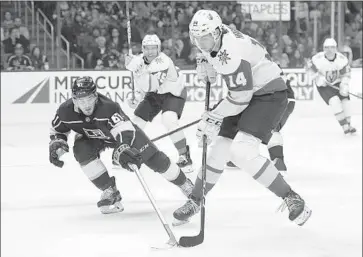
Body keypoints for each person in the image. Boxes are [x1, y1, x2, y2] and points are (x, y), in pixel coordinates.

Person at [172, 10, 312, 227]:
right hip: (250, 93)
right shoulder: (219, 36)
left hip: (268, 94)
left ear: (217, 33)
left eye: (205, 38)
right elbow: (221, 54)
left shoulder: (231, 52)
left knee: (242, 151)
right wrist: (207, 61)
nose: (201, 43)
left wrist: (213, 117)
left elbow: (241, 98)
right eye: (196, 38)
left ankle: (291, 196)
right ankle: (196, 199)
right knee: (219, 148)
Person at [49, 76, 194, 214]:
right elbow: (57, 130)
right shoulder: (65, 111)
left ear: (96, 96)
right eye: (81, 100)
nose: (86, 104)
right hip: (92, 137)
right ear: (74, 100)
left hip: (123, 135)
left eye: (89, 98)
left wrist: (123, 148)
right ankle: (109, 190)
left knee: (154, 159)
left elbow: (125, 131)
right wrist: (57, 143)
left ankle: (184, 183)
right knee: (81, 150)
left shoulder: (108, 107)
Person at [125, 34, 193, 173]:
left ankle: (184, 156)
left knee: (169, 120)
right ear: (143, 49)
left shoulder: (163, 62)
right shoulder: (138, 60)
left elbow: (151, 86)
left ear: (159, 49)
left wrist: (136, 69)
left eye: (153, 48)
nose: (150, 52)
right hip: (155, 94)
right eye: (147, 48)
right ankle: (127, 153)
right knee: (137, 122)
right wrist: (136, 97)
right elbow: (141, 86)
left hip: (173, 92)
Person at [227, 73, 296, 173]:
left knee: (270, 128)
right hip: (269, 98)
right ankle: (241, 156)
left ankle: (278, 161)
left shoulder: (251, 65)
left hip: (277, 99)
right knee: (246, 124)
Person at [307, 38, 356, 135]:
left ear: (336, 48)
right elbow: (309, 69)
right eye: (327, 47)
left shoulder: (342, 59)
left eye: (332, 47)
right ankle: (345, 127)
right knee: (334, 102)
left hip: (338, 83)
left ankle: (349, 124)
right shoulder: (317, 59)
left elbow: (346, 74)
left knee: (346, 102)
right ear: (323, 48)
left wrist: (344, 84)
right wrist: (317, 78)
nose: (329, 50)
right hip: (324, 86)